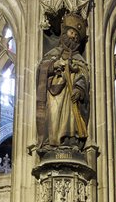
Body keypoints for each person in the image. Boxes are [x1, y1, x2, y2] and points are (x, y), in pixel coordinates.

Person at [36, 13, 90, 152]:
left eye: (76, 36)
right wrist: (54, 65)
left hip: (71, 95)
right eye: (72, 32)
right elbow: (41, 69)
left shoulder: (79, 58)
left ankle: (70, 141)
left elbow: (83, 75)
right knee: (53, 115)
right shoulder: (54, 53)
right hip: (54, 94)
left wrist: (79, 89)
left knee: (71, 118)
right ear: (65, 32)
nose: (73, 37)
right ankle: (50, 143)